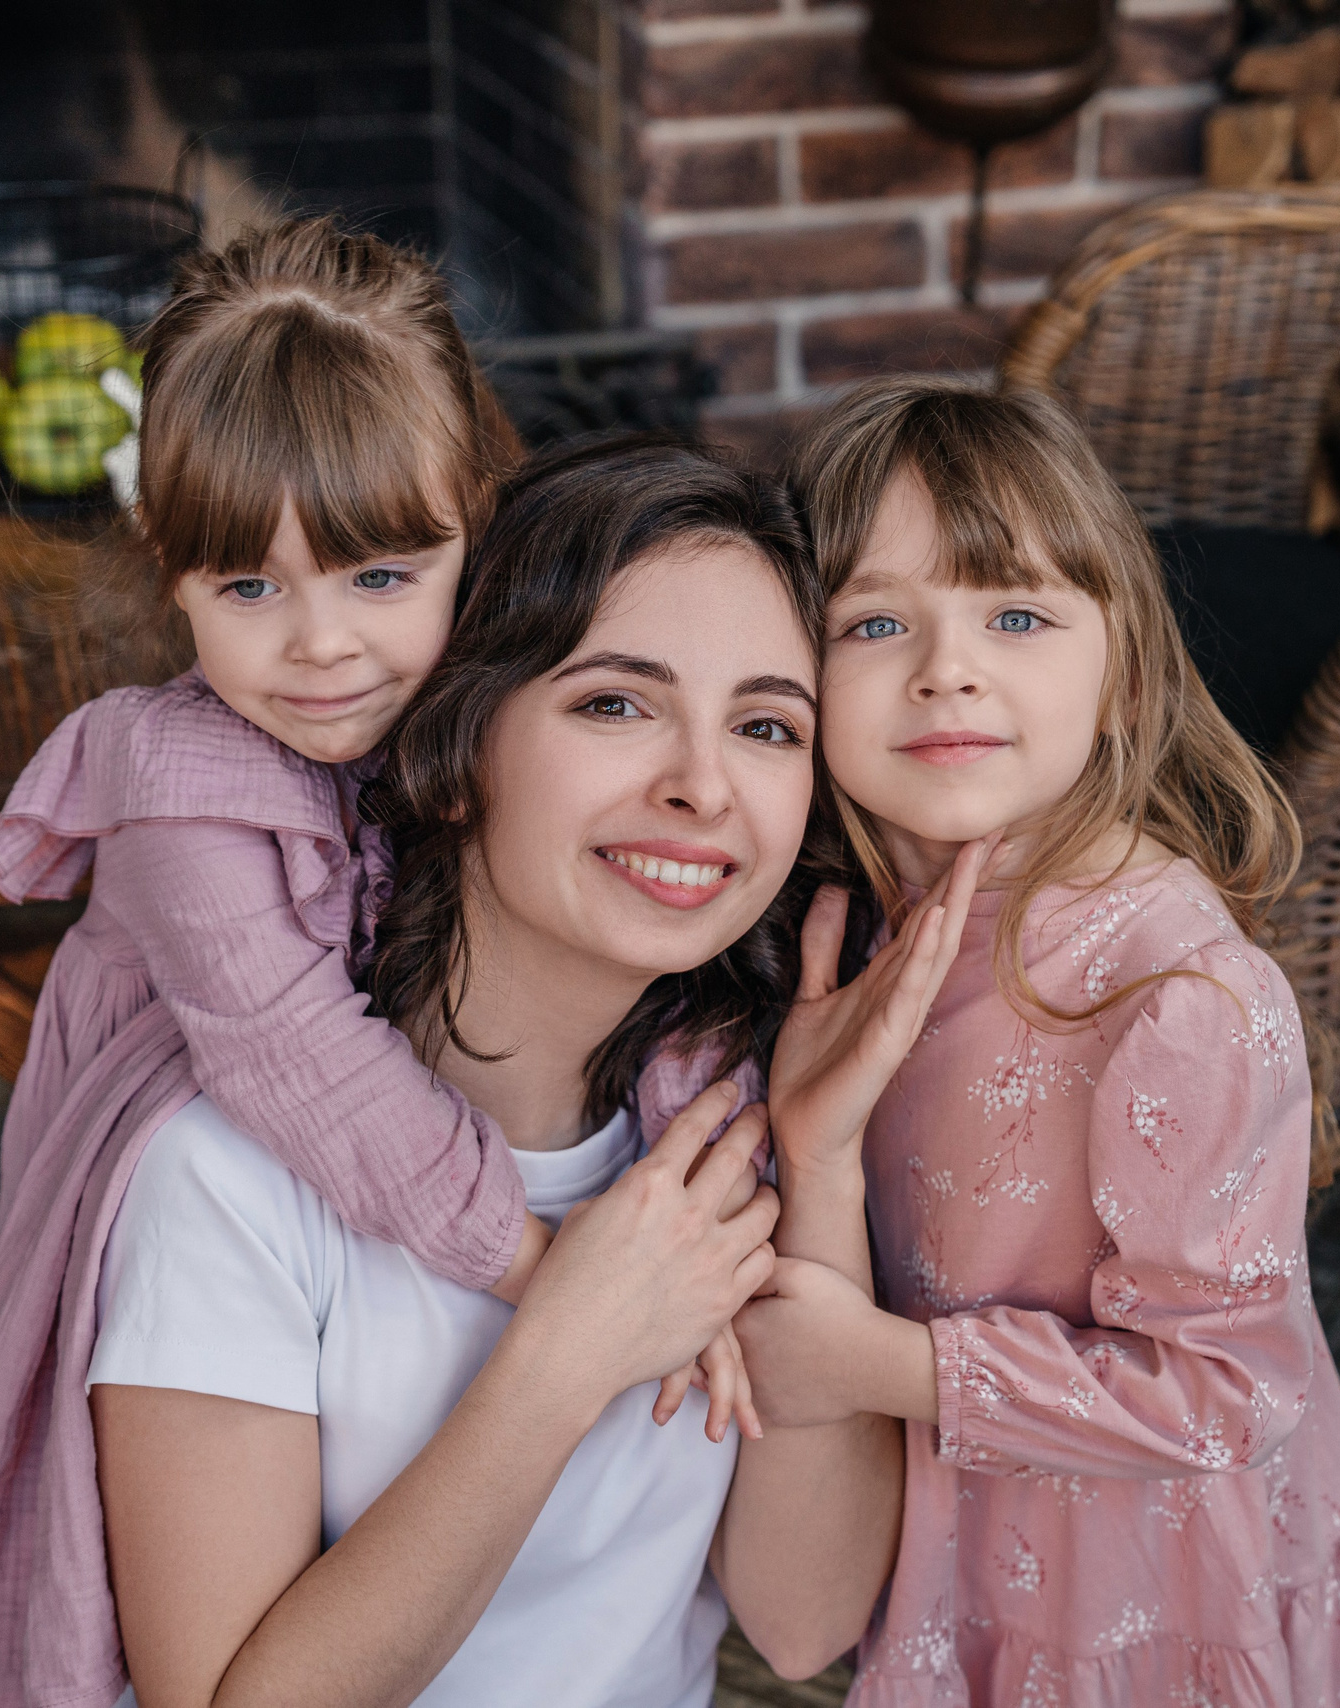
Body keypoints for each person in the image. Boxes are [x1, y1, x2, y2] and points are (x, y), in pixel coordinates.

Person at [0, 228, 734, 1708]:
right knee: (91, 1516)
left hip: (403, 1129)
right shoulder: (173, 772)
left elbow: (645, 963)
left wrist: (718, 1157)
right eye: (248, 589)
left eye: (382, 573)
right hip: (206, 1121)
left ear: (478, 525)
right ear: (167, 570)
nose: (323, 647)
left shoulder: (477, 703)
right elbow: (295, 1067)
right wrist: (562, 1275)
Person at [85, 438, 937, 1708]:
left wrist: (816, 1164)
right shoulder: (228, 1180)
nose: (702, 785)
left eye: (765, 726)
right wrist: (562, 1355)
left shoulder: (719, 1138)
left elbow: (803, 1616)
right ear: (457, 747)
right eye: (613, 703)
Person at [735, 377, 1340, 1706]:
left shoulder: (1178, 1003)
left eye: (1017, 614)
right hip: (972, 1536)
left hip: (1145, 1569)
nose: (948, 665)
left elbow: (1227, 1388)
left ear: (1124, 678)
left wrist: (890, 1367)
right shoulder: (856, 929)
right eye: (877, 621)